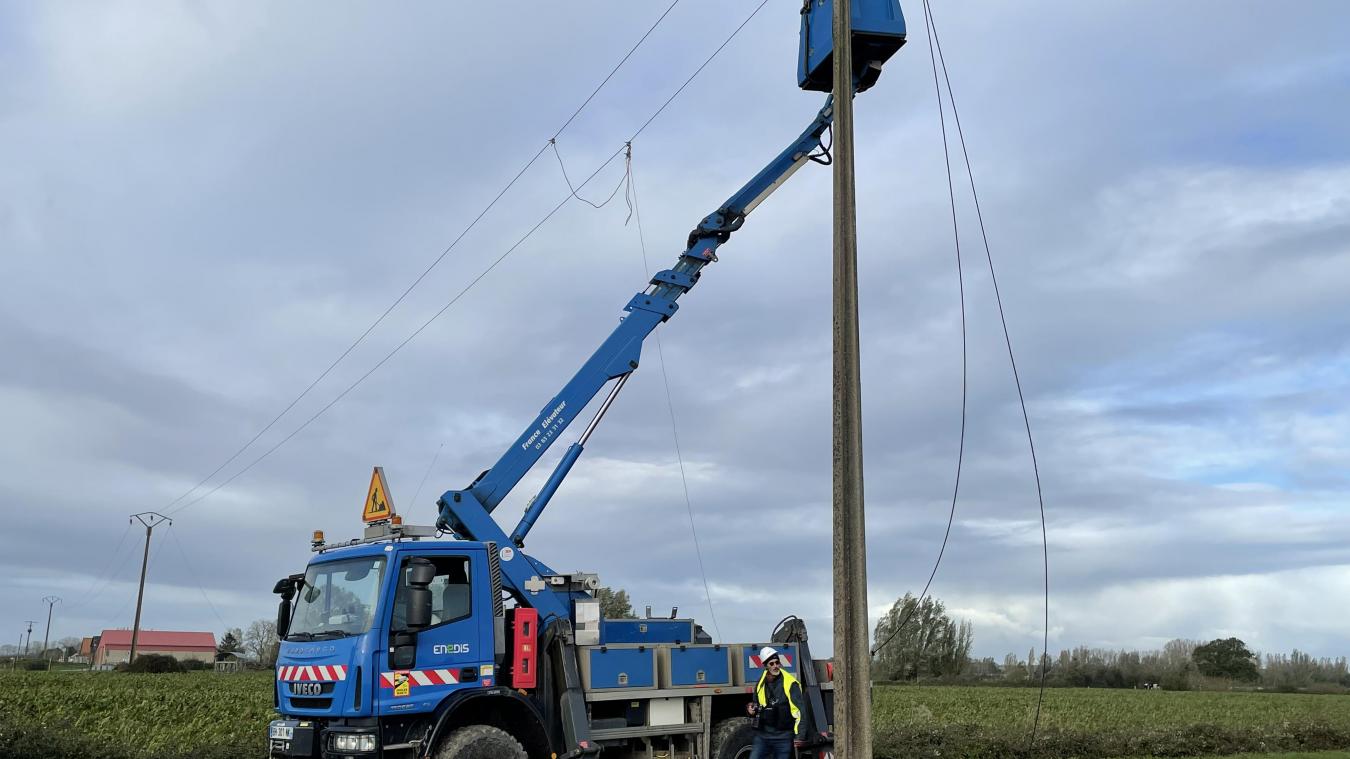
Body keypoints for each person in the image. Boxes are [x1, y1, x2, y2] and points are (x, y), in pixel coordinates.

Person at [745, 646, 806, 758]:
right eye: (771, 664)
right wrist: (751, 711)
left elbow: (800, 711)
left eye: (777, 662)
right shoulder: (761, 682)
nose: (775, 666)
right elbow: (756, 704)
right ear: (766, 666)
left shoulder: (790, 683)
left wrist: (800, 736)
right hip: (763, 736)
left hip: (783, 737)